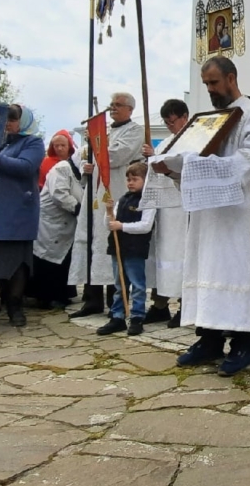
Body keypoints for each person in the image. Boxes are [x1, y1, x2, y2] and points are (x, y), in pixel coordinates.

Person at [156, 57, 250, 376]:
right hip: (208, 215)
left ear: (231, 78)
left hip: (238, 214)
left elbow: (247, 163)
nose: (209, 89)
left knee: (237, 275)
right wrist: (172, 167)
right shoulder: (206, 120)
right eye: (205, 83)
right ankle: (208, 340)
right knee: (207, 271)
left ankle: (242, 344)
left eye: (214, 83)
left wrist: (193, 166)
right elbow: (191, 156)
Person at [70, 92, 144, 318]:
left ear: (130, 109)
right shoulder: (106, 130)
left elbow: (117, 156)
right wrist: (86, 164)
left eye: (118, 105)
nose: (113, 108)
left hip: (115, 190)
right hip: (94, 191)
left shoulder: (135, 131)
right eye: (111, 105)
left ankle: (117, 302)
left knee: (110, 242)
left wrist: (95, 145)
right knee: (89, 238)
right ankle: (91, 299)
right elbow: (82, 156)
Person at [0, 104, 44, 327]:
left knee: (16, 265)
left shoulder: (33, 142)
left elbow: (24, 167)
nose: (8, 123)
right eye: (5, 119)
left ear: (23, 121)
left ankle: (15, 307)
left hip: (15, 215)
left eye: (12, 119)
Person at [142, 98, 190, 327]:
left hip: (183, 209)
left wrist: (170, 170)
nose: (170, 126)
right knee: (162, 258)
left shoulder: (193, 141)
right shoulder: (165, 144)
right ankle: (160, 304)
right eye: (166, 122)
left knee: (181, 256)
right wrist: (152, 156)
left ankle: (185, 304)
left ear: (184, 117)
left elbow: (190, 171)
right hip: (164, 211)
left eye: (173, 121)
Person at [98, 162, 156, 337]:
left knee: (137, 285)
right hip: (118, 248)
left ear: (145, 181)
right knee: (119, 284)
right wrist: (108, 211)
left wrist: (122, 226)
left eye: (135, 179)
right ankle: (118, 316)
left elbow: (145, 226)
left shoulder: (148, 201)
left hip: (135, 249)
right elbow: (109, 225)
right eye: (128, 179)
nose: (130, 183)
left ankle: (137, 316)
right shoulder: (123, 199)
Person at [31, 130, 80, 309]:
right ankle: (46, 296)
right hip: (51, 220)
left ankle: (62, 294)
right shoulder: (59, 167)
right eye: (56, 145)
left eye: (63, 145)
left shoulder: (75, 169)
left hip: (65, 221)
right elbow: (59, 193)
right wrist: (77, 207)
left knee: (63, 259)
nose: (59, 149)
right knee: (47, 259)